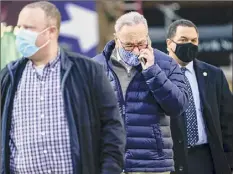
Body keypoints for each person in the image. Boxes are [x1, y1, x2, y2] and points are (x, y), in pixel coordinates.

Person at [0, 1, 125, 174]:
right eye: (19, 27)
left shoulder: (87, 72)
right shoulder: (9, 77)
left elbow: (112, 129)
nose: (20, 34)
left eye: (28, 28)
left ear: (51, 32)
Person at [93, 12, 189, 174]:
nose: (136, 50)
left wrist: (152, 71)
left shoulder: (166, 64)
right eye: (129, 45)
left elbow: (178, 106)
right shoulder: (96, 66)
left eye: (141, 44)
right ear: (117, 40)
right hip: (109, 164)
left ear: (148, 37)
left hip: (152, 164)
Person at [166, 19, 233, 174]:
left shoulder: (214, 75)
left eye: (193, 40)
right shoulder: (155, 75)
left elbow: (228, 121)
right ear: (169, 43)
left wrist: (229, 162)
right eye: (183, 40)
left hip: (207, 158)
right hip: (171, 161)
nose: (189, 44)